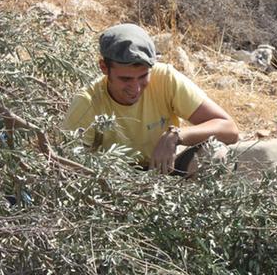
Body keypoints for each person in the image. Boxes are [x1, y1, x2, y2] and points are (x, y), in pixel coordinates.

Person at [62, 23, 239, 176]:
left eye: (143, 76)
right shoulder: (87, 102)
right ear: (104, 68)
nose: (136, 88)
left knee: (215, 153)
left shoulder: (164, 78)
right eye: (126, 79)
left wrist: (175, 136)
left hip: (166, 171)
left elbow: (229, 129)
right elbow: (67, 166)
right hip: (115, 185)